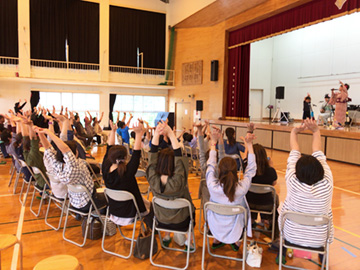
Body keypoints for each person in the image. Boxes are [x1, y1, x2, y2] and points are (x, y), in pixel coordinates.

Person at [279, 119, 333, 262]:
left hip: (291, 236)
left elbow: (294, 152)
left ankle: (283, 251)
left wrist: (294, 132)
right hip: (319, 240)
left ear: (296, 172)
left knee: (282, 207)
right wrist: (316, 131)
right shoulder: (327, 184)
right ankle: (322, 257)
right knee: (326, 213)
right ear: (321, 170)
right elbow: (319, 154)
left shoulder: (292, 181)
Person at [206, 125, 256, 251]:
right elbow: (251, 170)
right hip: (236, 231)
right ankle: (237, 243)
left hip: (214, 228)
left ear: (219, 170)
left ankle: (218, 240)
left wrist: (213, 143)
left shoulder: (212, 186)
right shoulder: (241, 189)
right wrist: (250, 145)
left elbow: (210, 165)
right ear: (235, 171)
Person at [35, 126, 106, 213]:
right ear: (74, 153)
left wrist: (40, 133)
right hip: (89, 202)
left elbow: (48, 148)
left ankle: (84, 216)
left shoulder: (57, 165)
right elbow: (66, 149)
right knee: (109, 198)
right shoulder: (74, 167)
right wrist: (49, 133)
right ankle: (100, 221)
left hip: (75, 203)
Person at [146, 121, 194, 248]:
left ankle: (166, 236)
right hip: (181, 222)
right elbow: (179, 160)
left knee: (166, 207)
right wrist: (171, 134)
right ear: (175, 165)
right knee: (189, 209)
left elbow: (151, 161)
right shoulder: (179, 181)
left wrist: (156, 135)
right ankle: (190, 242)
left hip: (161, 221)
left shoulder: (152, 180)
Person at [102, 120, 152, 227]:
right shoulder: (126, 172)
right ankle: (151, 232)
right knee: (152, 207)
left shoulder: (105, 167)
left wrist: (113, 130)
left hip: (114, 211)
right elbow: (136, 155)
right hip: (131, 212)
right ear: (125, 158)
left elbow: (109, 148)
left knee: (147, 203)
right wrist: (139, 134)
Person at [246, 143, 278, 231]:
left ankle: (251, 220)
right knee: (274, 197)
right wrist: (271, 166)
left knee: (251, 195)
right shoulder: (270, 171)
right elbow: (274, 183)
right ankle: (268, 221)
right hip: (266, 205)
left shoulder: (248, 170)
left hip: (250, 204)